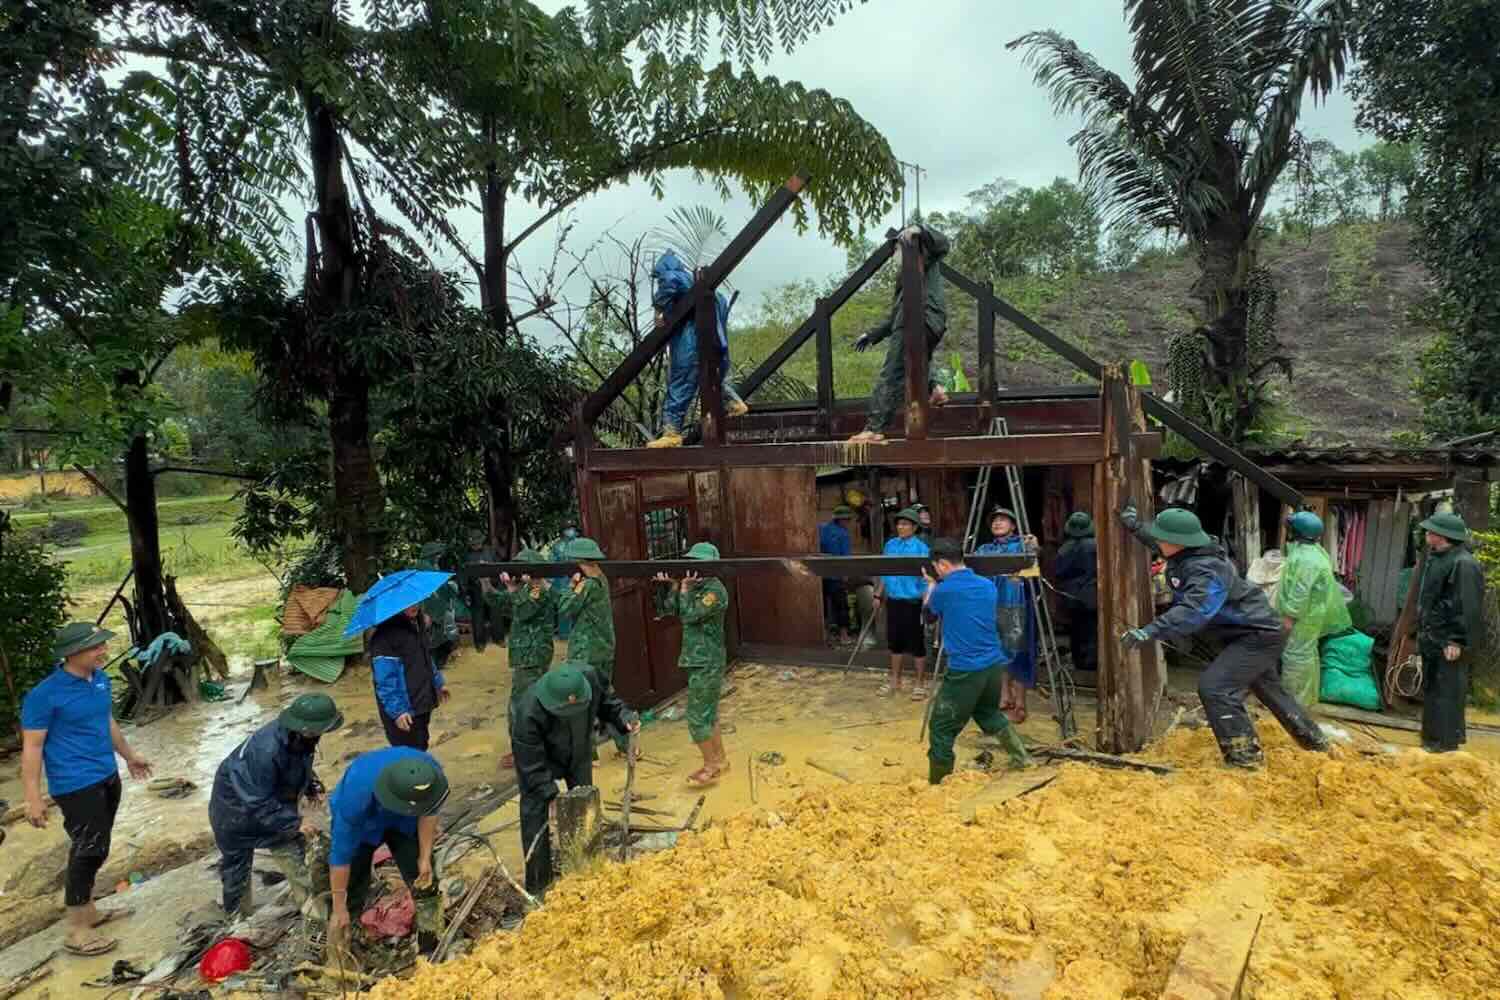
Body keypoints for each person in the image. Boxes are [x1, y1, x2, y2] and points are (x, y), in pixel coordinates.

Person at [1118, 505, 1328, 769]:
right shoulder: (1187, 551)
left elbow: (1195, 610)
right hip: (1250, 632)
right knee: (1270, 690)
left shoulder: (1207, 570)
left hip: (1258, 635)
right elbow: (1159, 542)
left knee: (1216, 687)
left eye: (1162, 537)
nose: (1158, 541)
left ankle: (1245, 759)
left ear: (1178, 542)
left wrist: (1149, 630)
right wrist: (1136, 526)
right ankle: (1315, 742)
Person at [20, 622, 152, 956]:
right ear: (71, 653)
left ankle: (89, 911)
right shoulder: (45, 695)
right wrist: (33, 798)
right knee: (88, 849)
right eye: (95, 647)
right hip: (75, 784)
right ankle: (76, 929)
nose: (103, 651)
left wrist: (129, 755)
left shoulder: (100, 680)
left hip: (107, 775)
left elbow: (106, 722)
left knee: (99, 846)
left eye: (102, 645)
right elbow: (32, 747)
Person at [209, 693, 343, 919]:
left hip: (271, 806)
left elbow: (296, 764)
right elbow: (257, 801)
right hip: (234, 813)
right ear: (307, 729)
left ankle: (317, 915)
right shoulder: (266, 750)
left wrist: (311, 785)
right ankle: (238, 923)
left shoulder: (300, 738)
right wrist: (296, 822)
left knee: (299, 865)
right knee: (237, 873)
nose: (322, 736)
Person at [511, 665, 640, 895]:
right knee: (534, 812)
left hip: (578, 753)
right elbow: (530, 766)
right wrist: (549, 793)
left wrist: (624, 717)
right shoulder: (526, 712)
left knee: (584, 808)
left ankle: (586, 868)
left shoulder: (590, 678)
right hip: (542, 761)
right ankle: (539, 885)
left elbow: (609, 704)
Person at [922, 538, 1031, 783]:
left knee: (941, 727)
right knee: (988, 713)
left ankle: (938, 782)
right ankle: (1023, 758)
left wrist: (930, 587)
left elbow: (928, 617)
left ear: (941, 565)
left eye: (936, 567)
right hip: (993, 665)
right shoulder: (987, 585)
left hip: (965, 670)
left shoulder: (944, 589)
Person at [326, 748, 448, 960]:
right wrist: (339, 907)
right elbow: (340, 857)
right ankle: (344, 949)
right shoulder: (356, 793)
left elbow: (429, 813)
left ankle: (431, 947)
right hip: (366, 824)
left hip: (405, 823)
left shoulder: (430, 776)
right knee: (350, 891)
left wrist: (424, 858)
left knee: (425, 882)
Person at [848, 223, 952, 444]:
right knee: (919, 362)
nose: (894, 253)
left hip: (920, 319)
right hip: (929, 322)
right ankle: (936, 390)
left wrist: (919, 230)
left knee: (892, 372)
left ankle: (874, 429)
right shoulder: (907, 277)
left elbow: (943, 243)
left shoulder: (924, 257)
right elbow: (895, 316)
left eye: (896, 248)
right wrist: (872, 335)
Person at [645, 249, 749, 448]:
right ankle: (735, 403)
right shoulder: (713, 292)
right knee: (713, 379)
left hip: (691, 346)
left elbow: (669, 282)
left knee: (680, 385)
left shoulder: (675, 277)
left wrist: (659, 310)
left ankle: (672, 433)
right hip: (717, 347)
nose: (659, 280)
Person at [653, 542, 731, 786]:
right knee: (709, 714)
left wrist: (685, 589)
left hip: (706, 660)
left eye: (698, 563)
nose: (693, 567)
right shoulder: (698, 586)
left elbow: (689, 616)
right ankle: (719, 760)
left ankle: (710, 766)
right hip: (698, 659)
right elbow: (671, 610)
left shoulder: (714, 591)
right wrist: (674, 587)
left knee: (697, 718)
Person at [1414, 511, 1485, 753]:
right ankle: (1431, 741)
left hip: (1450, 642)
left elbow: (1466, 606)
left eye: (1430, 531)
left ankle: (1444, 745)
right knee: (1434, 691)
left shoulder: (1463, 563)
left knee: (1447, 693)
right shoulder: (1439, 557)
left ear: (1441, 536)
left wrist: (1456, 640)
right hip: (1435, 639)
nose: (1426, 534)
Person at [557, 537, 629, 756]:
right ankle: (627, 744)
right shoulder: (601, 579)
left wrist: (570, 587)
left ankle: (588, 754)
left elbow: (565, 608)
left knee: (582, 701)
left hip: (586, 652)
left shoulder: (587, 585)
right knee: (606, 697)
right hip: (603, 648)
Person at [1276, 512, 1352, 707]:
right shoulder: (1314, 551)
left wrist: (1290, 616)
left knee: (1295, 659)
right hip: (1310, 614)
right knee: (1306, 656)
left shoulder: (1307, 559)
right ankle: (1304, 701)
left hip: (1304, 617)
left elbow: (1300, 590)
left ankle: (1293, 705)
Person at [492, 549, 559, 770]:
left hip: (532, 655)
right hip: (528, 654)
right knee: (532, 702)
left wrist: (513, 590)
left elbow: (523, 612)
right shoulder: (527, 589)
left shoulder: (536, 589)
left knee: (521, 706)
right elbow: (505, 606)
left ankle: (524, 751)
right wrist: (488, 585)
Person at [976, 507, 1039, 720]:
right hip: (990, 606)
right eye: (995, 520)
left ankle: (1020, 703)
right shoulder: (984, 549)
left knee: (1018, 652)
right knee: (997, 651)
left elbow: (1033, 572)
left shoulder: (1022, 545)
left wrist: (1032, 552)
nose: (998, 523)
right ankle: (1004, 695)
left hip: (1015, 605)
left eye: (1003, 520)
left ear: (1013, 526)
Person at [371, 601, 450, 751]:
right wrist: (398, 711)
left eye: (416, 602)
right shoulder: (385, 637)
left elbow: (425, 659)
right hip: (405, 710)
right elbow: (385, 680)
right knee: (408, 752)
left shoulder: (415, 626)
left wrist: (438, 683)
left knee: (422, 743)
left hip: (421, 701)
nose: (414, 606)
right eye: (407, 603)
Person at [873, 507, 930, 699]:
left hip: (914, 602)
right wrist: (878, 595)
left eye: (905, 524)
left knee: (917, 644)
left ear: (914, 527)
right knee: (894, 642)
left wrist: (926, 602)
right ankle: (894, 681)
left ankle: (920, 683)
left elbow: (927, 579)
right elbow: (884, 572)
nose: (901, 527)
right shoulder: (890, 546)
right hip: (894, 601)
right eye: (899, 523)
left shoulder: (922, 548)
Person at [1054, 512, 1099, 674]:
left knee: (1076, 630)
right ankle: (1092, 662)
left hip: (1071, 596)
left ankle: (1079, 662)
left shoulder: (1064, 549)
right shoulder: (1096, 546)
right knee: (1093, 629)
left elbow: (1058, 573)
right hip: (1093, 593)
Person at [416, 543, 460, 669]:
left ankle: (435, 663)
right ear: (432, 555)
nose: (439, 556)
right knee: (438, 637)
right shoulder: (427, 568)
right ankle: (435, 663)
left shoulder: (423, 566)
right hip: (432, 607)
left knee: (437, 635)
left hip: (431, 607)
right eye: (437, 554)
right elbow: (442, 588)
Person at [819, 505, 854, 644]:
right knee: (841, 606)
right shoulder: (843, 534)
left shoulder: (821, 528)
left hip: (821, 574)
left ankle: (825, 634)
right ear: (842, 520)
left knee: (823, 607)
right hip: (836, 575)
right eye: (847, 520)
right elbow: (846, 558)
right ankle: (844, 636)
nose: (848, 522)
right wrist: (846, 576)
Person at [463, 530, 500, 651]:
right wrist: (466, 591)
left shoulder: (490, 551)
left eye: (477, 543)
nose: (475, 546)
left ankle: (498, 638)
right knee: (478, 616)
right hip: (476, 589)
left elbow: (498, 568)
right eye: (473, 544)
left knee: (495, 613)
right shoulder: (467, 555)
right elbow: (465, 574)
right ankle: (479, 643)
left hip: (492, 586)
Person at [550, 522, 580, 640]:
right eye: (568, 529)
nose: (571, 531)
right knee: (563, 607)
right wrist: (550, 581)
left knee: (577, 605)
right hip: (561, 581)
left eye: (572, 528)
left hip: (577, 579)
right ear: (563, 531)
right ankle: (564, 634)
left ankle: (575, 633)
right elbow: (551, 564)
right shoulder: (557, 546)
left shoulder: (579, 544)